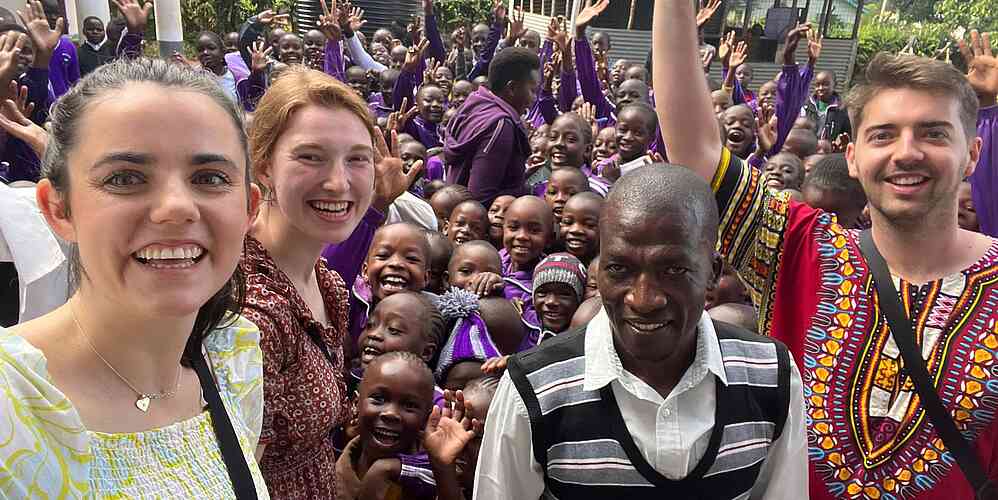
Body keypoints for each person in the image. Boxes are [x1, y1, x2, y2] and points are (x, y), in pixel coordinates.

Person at [653, 0, 998, 496]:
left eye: (933, 133)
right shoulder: (797, 249)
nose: (906, 151)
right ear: (853, 157)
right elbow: (696, 154)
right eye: (883, 135)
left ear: (973, 155)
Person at [0, 58, 269, 497]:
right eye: (125, 178)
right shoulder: (12, 404)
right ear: (58, 210)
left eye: (210, 177)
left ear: (248, 209)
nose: (177, 207)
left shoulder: (232, 361)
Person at [474, 166, 806, 498]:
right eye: (619, 268)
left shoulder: (770, 374)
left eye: (674, 269)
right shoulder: (533, 387)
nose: (644, 300)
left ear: (711, 274)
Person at [240, 66, 415, 498]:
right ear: (263, 166)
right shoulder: (251, 315)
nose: (339, 182)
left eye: (357, 158)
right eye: (311, 156)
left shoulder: (326, 285)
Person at [336, 352, 438, 500]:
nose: (391, 414)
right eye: (378, 399)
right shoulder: (324, 474)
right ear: (355, 405)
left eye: (409, 405)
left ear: (426, 419)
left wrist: (393, 468)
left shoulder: (433, 479)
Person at [444, 46, 539, 206]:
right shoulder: (500, 126)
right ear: (512, 88)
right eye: (532, 90)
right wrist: (524, 190)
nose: (533, 98)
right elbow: (480, 198)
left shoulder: (475, 102)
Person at [800, 153, 867, 229]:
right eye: (811, 217)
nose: (821, 228)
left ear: (861, 209)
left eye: (833, 220)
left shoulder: (870, 237)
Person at [533, 252, 587, 341]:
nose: (551, 301)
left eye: (564, 294)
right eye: (542, 293)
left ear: (579, 298)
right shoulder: (523, 327)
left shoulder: (587, 341)